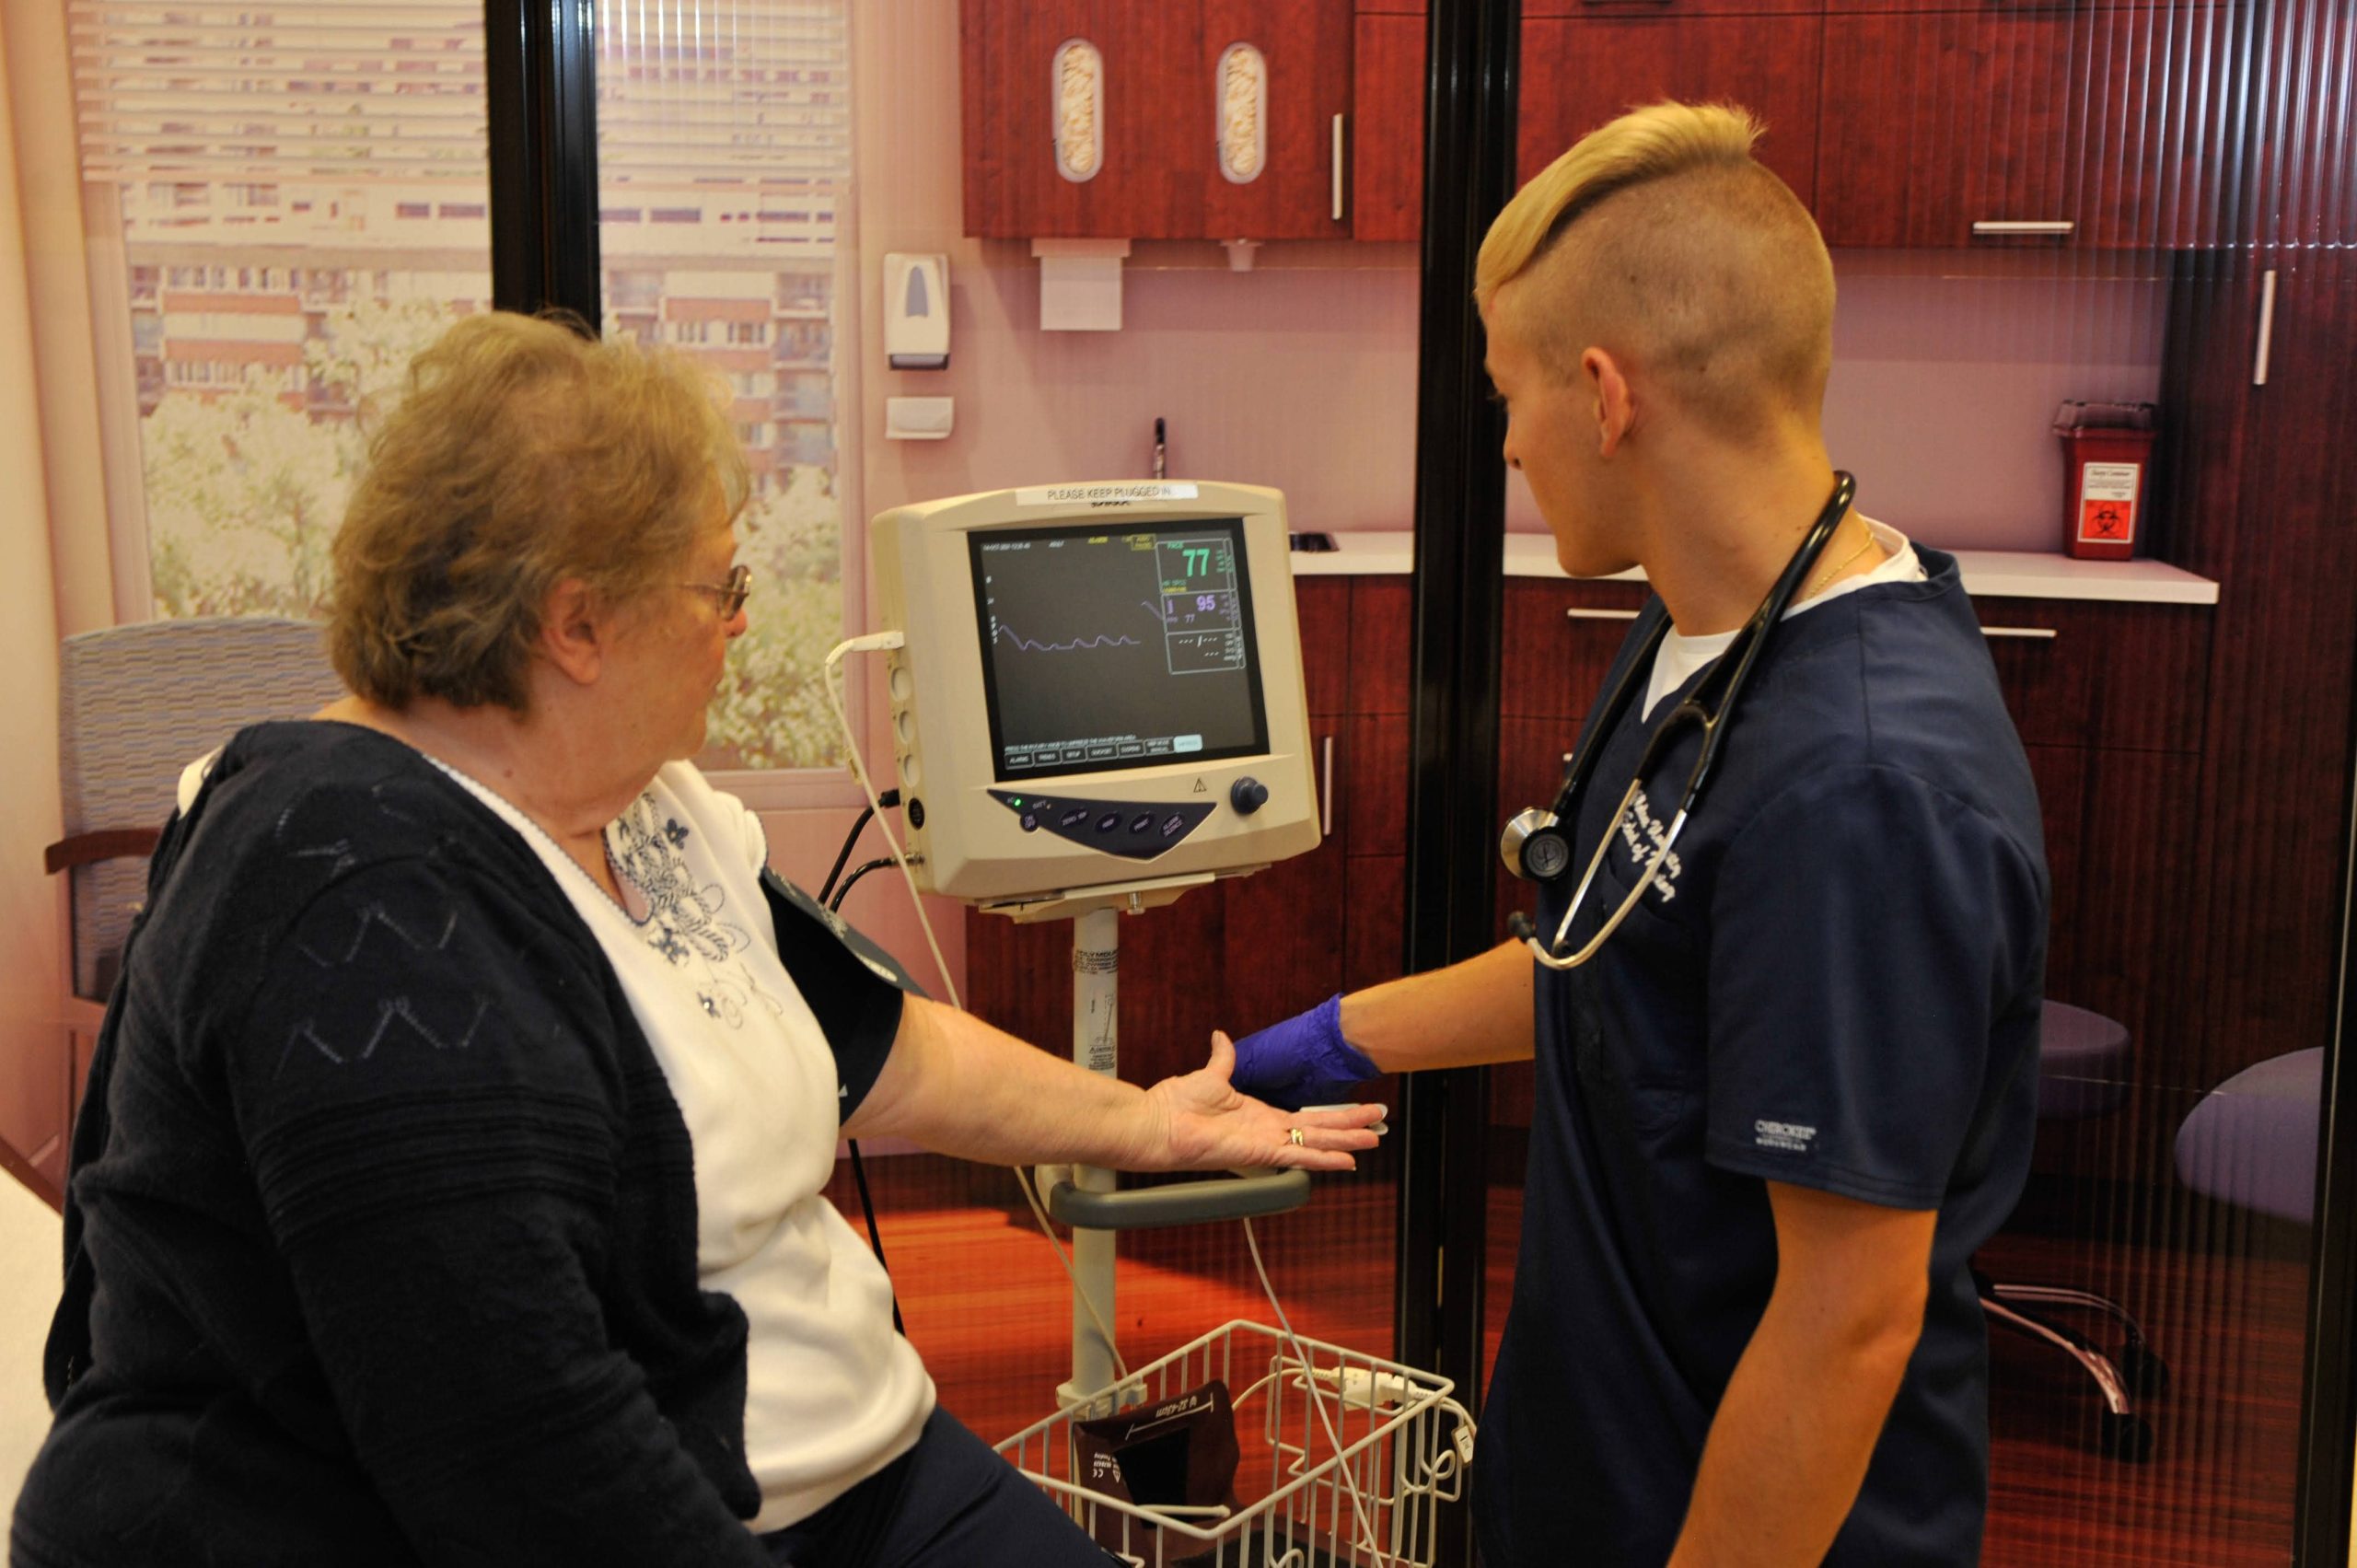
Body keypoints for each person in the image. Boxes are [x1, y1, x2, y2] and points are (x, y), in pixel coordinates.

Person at [10, 311, 1382, 1568]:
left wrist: (1151, 1122)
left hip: (862, 1464)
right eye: (720, 587)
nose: (739, 625)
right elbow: (534, 1470)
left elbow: (885, 1048)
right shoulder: (353, 894)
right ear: (577, 624)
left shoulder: (647, 808)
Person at [1227, 103, 2048, 1566]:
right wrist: (1333, 1039)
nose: (1508, 445)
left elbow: (1846, 1323)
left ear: (1605, 395)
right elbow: (1611, 950)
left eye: (1508, 396)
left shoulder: (1861, 786)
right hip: (1593, 1461)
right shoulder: (1699, 630)